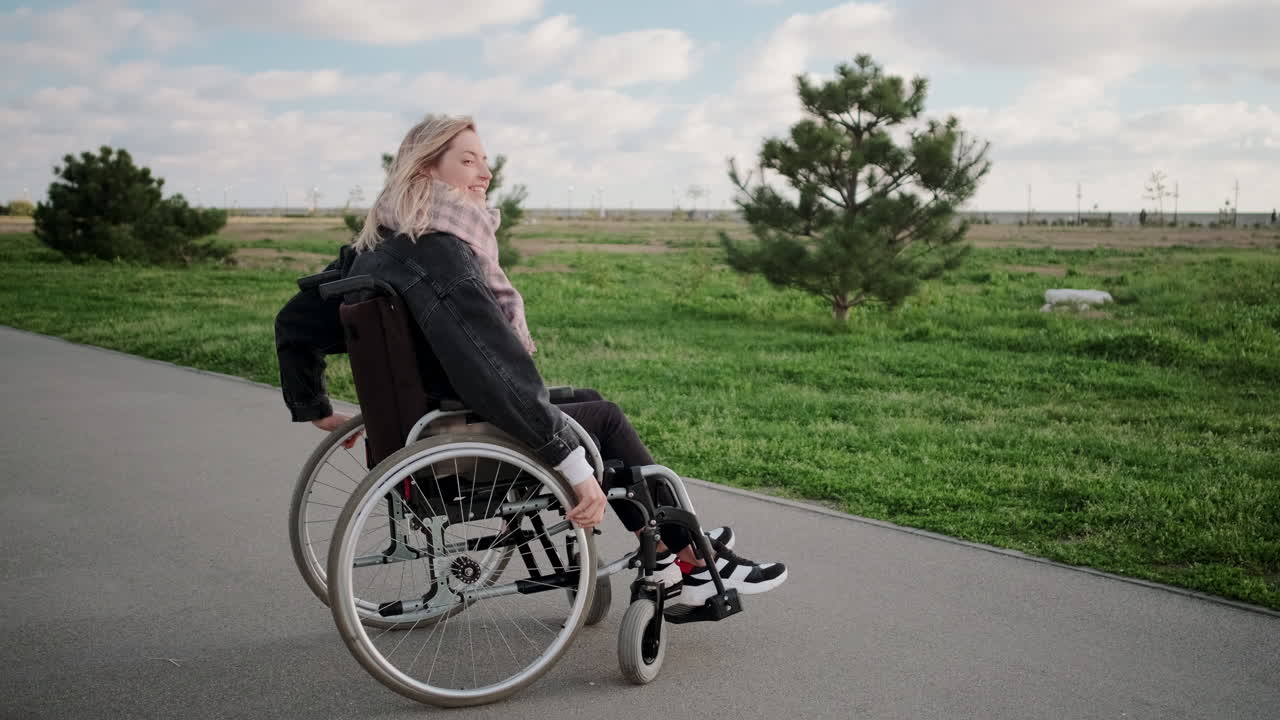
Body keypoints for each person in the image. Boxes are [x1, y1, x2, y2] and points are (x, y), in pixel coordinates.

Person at [275, 114, 786, 608]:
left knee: (588, 401)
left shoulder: (376, 247)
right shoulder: (441, 252)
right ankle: (690, 559)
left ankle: (678, 542)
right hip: (456, 436)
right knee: (602, 421)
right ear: (426, 169)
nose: (486, 173)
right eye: (469, 161)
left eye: (486, 161)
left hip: (420, 427)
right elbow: (492, 369)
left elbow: (294, 324)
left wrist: (314, 405)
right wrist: (571, 460)